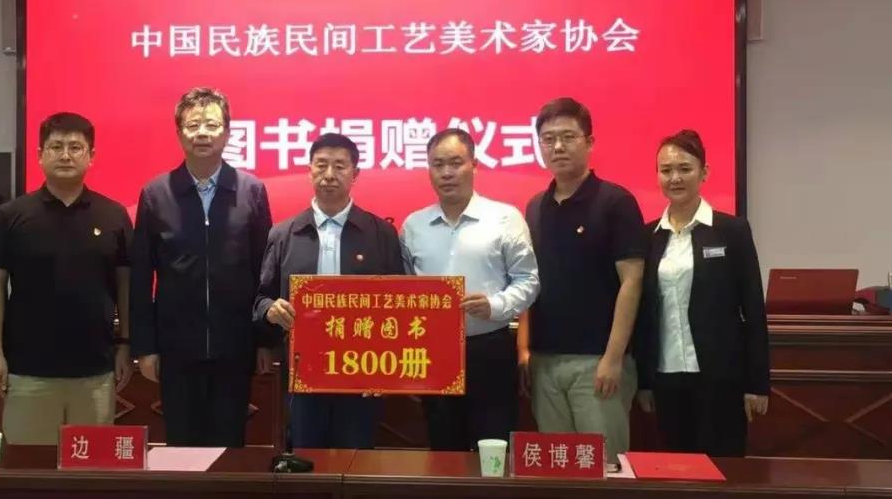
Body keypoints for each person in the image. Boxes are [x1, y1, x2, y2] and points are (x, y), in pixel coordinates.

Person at [0, 112, 133, 445]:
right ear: (40, 155)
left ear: (91, 156)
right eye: (56, 146)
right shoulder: (11, 215)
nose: (66, 155)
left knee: (91, 465)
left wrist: (125, 344)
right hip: (27, 371)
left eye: (75, 147)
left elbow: (125, 284)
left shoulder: (113, 215)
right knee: (29, 466)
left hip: (95, 371)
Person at [131, 88, 272, 447]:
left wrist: (264, 342)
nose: (202, 133)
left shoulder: (251, 191)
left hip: (235, 345)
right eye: (193, 125)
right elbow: (141, 276)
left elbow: (264, 272)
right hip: (177, 347)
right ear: (179, 134)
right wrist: (145, 347)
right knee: (182, 446)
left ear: (227, 132)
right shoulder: (156, 193)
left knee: (230, 445)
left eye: (212, 124)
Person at [256, 133, 404, 449]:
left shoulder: (381, 233)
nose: (329, 175)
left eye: (339, 166)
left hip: (363, 371)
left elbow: (400, 303)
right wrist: (270, 309)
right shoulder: (284, 234)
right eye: (321, 165)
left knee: (356, 458)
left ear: (355, 173)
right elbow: (260, 298)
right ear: (309, 170)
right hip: (303, 371)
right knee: (306, 456)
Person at [519, 97, 645, 462]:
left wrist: (613, 357)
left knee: (605, 468)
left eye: (568, 137)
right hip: (545, 362)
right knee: (559, 468)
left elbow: (632, 281)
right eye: (548, 139)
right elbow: (529, 283)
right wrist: (526, 353)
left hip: (597, 363)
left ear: (589, 142)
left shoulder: (616, 202)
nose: (557, 146)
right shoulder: (535, 207)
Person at [401, 128, 539, 450]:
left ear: (474, 165)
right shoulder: (413, 226)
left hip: (489, 348)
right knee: (443, 447)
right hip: (433, 352)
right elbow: (405, 293)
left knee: (492, 448)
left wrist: (495, 305)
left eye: (455, 163)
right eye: (438, 165)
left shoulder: (504, 218)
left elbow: (529, 280)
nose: (446, 173)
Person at [635, 130, 769, 457]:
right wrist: (644, 381)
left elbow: (753, 310)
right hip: (666, 375)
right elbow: (644, 315)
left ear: (704, 172)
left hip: (721, 376)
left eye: (685, 168)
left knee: (723, 468)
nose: (675, 178)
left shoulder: (732, 231)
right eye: (666, 170)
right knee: (674, 468)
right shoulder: (648, 236)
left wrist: (757, 384)